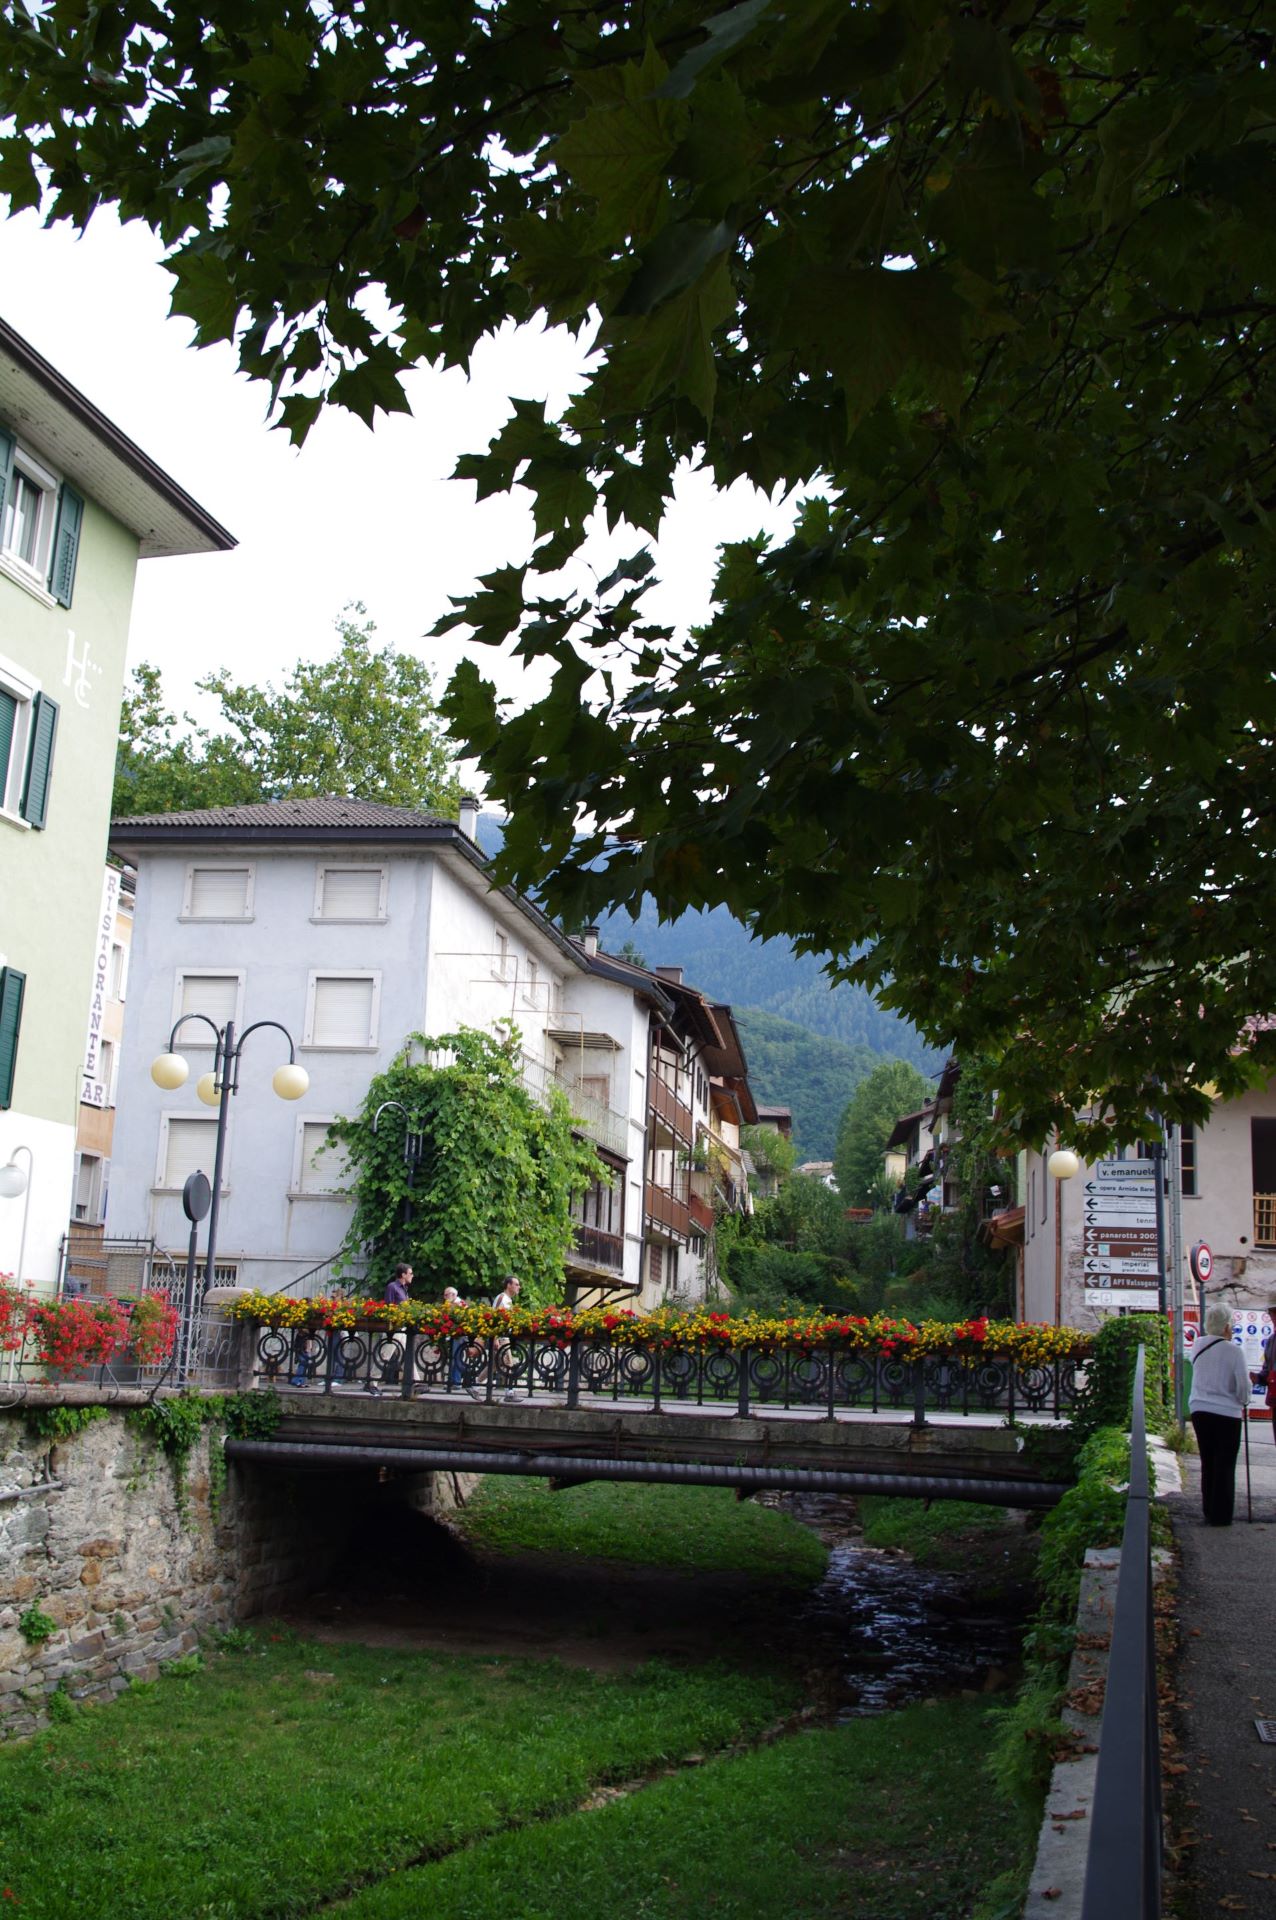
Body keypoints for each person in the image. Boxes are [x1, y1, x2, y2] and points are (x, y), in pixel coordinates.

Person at [1189, 1302, 1252, 1525]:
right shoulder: (1235, 1352)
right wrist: (1245, 1400)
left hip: (1200, 1410)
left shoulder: (1197, 1346)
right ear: (1226, 1327)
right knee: (1225, 1464)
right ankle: (1221, 1515)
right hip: (1227, 1413)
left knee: (1208, 1460)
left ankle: (1208, 1510)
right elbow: (1243, 1387)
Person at [1249, 1303, 1276, 1441]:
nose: (1273, 1319)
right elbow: (1267, 1370)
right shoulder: (1271, 1340)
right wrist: (1258, 1378)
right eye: (1272, 1315)